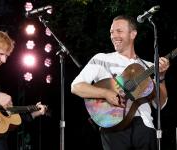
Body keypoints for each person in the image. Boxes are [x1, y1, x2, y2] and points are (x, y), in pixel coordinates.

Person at [71, 15, 170, 150]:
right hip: (113, 126)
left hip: (145, 127)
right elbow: (76, 86)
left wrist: (161, 78)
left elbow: (159, 105)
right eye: (112, 32)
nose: (113, 36)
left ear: (133, 34)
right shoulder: (101, 59)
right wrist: (106, 93)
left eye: (119, 31)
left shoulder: (147, 66)